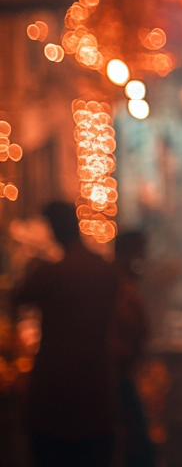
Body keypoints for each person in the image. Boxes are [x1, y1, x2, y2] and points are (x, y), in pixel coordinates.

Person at [13, 200, 119, 467]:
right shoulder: (104, 270)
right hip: (95, 388)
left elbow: (18, 298)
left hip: (54, 388)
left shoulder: (50, 273)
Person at [113, 231, 156, 467]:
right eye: (140, 253)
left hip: (122, 373)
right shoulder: (119, 286)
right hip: (117, 376)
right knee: (137, 445)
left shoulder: (124, 283)